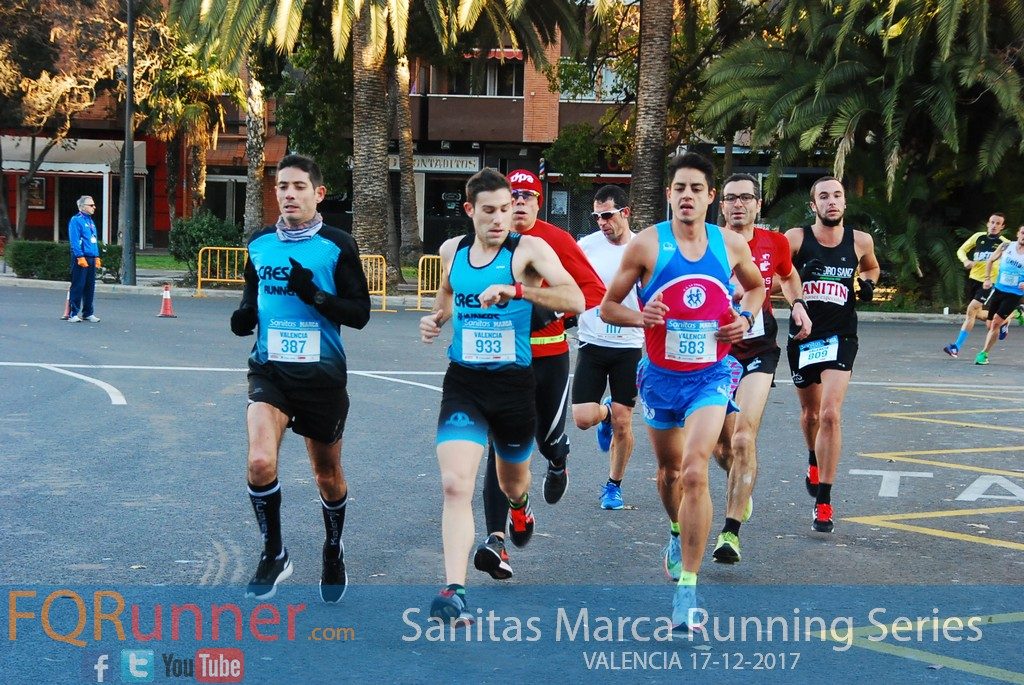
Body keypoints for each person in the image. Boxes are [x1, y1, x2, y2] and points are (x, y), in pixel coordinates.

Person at [600, 152, 766, 633]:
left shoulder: (730, 245)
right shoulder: (647, 247)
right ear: (669, 194)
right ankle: (676, 531)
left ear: (711, 197)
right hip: (659, 377)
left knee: (696, 470)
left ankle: (687, 590)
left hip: (710, 376)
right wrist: (640, 316)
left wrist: (745, 319)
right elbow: (610, 306)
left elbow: (756, 290)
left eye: (697, 188)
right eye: (680, 189)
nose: (687, 196)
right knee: (669, 473)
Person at [419, 167, 584, 624]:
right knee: (456, 484)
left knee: (513, 479)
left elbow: (575, 300)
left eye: (506, 210)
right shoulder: (452, 251)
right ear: (470, 211)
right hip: (465, 383)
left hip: (514, 384)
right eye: (488, 211)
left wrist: (515, 290)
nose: (499, 220)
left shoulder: (528, 249)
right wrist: (435, 320)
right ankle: (454, 591)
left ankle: (518, 507)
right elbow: (447, 297)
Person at [230, 154, 370, 603]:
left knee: (326, 474)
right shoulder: (259, 243)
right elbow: (253, 294)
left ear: (318, 193)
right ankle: (274, 552)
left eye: (298, 187)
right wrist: (244, 313)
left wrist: (316, 296)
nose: (288, 194)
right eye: (282, 186)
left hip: (322, 377)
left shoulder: (336, 245)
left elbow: (361, 314)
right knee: (259, 462)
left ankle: (333, 547)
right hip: (270, 372)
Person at [472, 169, 605, 581]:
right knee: (500, 450)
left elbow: (594, 291)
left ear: (538, 202)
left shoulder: (555, 241)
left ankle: (559, 459)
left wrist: (558, 314)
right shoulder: (488, 243)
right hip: (503, 361)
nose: (522, 203)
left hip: (549, 359)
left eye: (529, 196)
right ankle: (498, 540)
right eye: (515, 196)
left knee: (545, 441)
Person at [710, 174, 812, 564]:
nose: (738, 204)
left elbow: (786, 275)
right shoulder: (708, 243)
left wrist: (798, 303)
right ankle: (742, 482)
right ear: (722, 206)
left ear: (758, 203)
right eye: (731, 198)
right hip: (716, 351)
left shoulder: (775, 242)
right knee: (722, 445)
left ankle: (730, 532)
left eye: (746, 198)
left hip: (759, 348)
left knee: (743, 438)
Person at [785, 176, 880, 534]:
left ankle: (824, 500)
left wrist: (869, 283)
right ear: (814, 205)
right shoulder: (796, 239)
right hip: (805, 335)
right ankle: (813, 458)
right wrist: (795, 299)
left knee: (829, 414)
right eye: (823, 196)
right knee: (810, 414)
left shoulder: (860, 240)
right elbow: (780, 271)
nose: (831, 201)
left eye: (837, 195)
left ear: (845, 202)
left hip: (842, 335)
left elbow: (871, 266)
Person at [570, 185, 644, 511]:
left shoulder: (644, 248)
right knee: (583, 418)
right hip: (592, 342)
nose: (602, 222)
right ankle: (606, 412)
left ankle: (613, 485)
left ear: (625, 213)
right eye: (597, 216)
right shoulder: (585, 247)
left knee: (625, 424)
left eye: (608, 215)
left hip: (630, 345)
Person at [943, 213, 1010, 358]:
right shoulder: (978, 237)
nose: (994, 225)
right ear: (987, 223)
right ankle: (1004, 320)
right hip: (974, 279)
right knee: (976, 313)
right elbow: (961, 250)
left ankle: (956, 347)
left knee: (971, 309)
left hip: (989, 282)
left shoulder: (1004, 243)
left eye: (998, 223)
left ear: (1002, 227)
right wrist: (965, 261)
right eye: (992, 222)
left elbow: (1012, 262)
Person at [974, 225, 1024, 365]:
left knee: (996, 322)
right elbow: (990, 261)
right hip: (999, 289)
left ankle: (983, 354)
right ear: (1018, 233)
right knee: (990, 325)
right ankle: (1016, 313)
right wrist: (988, 278)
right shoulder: (1006, 246)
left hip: (1015, 293)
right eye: (1022, 233)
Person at [67, 195, 101, 323]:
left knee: (90, 286)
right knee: (78, 285)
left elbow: (94, 241)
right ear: (82, 207)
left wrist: (96, 256)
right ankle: (73, 313)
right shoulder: (76, 220)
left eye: (93, 205)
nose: (94, 207)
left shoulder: (90, 221)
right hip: (81, 257)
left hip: (91, 257)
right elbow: (75, 241)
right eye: (91, 205)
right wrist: (79, 256)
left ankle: (88, 312)